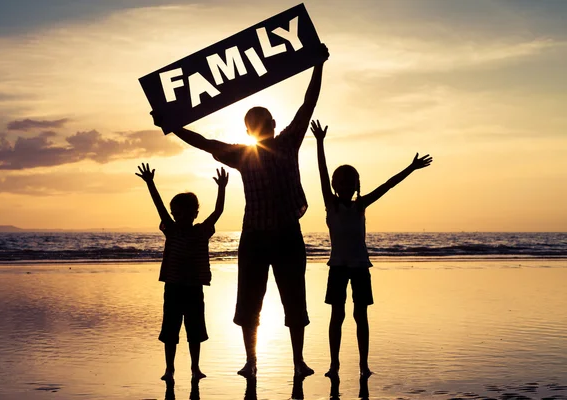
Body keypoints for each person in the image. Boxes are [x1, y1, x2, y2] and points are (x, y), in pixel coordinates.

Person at [150, 43, 329, 378]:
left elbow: (308, 104)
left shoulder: (289, 141)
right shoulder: (242, 155)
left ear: (273, 123)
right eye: (254, 123)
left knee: (294, 299)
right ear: (248, 130)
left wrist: (318, 65)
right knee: (250, 302)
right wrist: (172, 124)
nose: (260, 126)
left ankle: (298, 361)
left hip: (288, 233)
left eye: (263, 121)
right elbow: (205, 143)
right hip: (255, 237)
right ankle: (251, 360)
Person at [310, 119, 432, 379]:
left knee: (360, 315)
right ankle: (334, 365)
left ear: (356, 185)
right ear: (335, 186)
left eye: (350, 182)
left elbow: (388, 185)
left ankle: (363, 365)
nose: (345, 185)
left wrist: (411, 167)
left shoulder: (361, 205)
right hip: (337, 267)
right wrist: (320, 143)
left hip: (361, 266)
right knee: (337, 315)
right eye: (341, 182)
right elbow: (322, 173)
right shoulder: (331, 205)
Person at [135, 163, 229, 385]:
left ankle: (196, 368)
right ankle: (169, 369)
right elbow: (159, 207)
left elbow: (218, 212)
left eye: (183, 211)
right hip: (174, 287)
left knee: (195, 331)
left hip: (194, 288)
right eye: (175, 212)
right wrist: (150, 183)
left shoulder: (201, 231)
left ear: (195, 213)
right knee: (170, 331)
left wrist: (222, 188)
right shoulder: (172, 229)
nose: (178, 215)